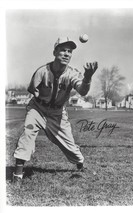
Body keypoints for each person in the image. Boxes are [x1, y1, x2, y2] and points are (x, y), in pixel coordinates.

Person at [13, 37, 98, 183]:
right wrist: (36, 92)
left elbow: (83, 91)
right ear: (54, 52)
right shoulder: (42, 71)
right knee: (27, 133)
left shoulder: (73, 73)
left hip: (57, 113)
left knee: (69, 145)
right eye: (63, 50)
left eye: (69, 51)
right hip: (37, 109)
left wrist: (87, 78)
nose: (66, 54)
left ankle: (80, 165)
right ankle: (17, 175)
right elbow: (31, 88)